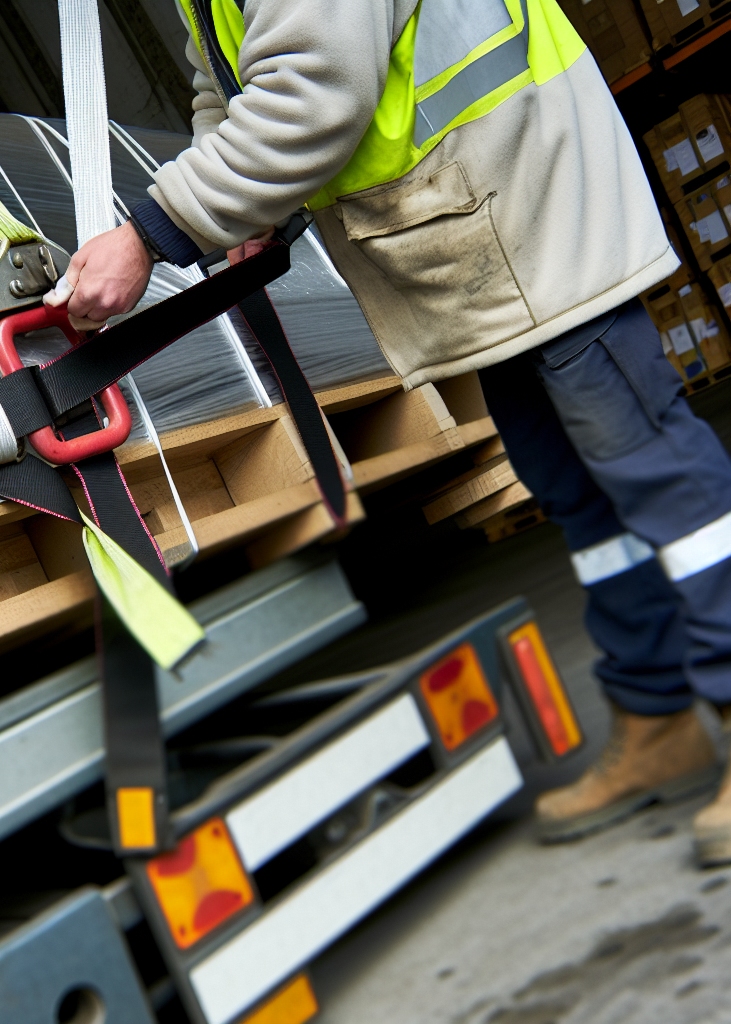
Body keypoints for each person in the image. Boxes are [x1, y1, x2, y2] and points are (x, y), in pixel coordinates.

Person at [48, 0, 731, 865]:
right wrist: (252, 205)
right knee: (577, 490)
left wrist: (152, 235)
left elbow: (313, 92)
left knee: (654, 470)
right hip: (475, 215)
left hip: (526, 191)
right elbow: (227, 80)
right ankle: (658, 714)